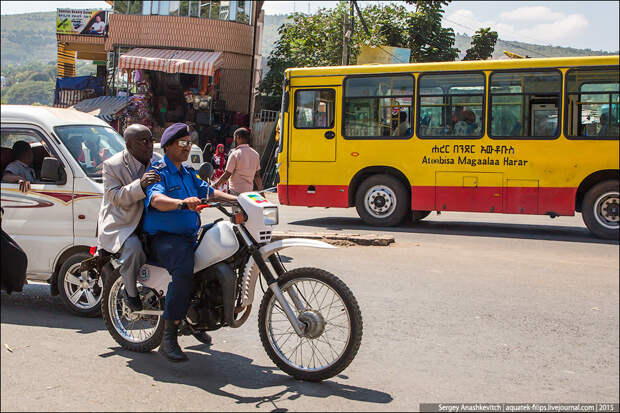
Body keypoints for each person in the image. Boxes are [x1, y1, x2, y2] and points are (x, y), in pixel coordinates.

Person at [143, 122, 238, 362]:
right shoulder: (159, 171)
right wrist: (181, 203)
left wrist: (238, 200)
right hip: (165, 238)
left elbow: (209, 191)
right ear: (168, 146)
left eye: (189, 143)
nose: (187, 148)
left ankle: (199, 319)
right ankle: (169, 337)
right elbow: (156, 199)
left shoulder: (187, 172)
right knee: (184, 270)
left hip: (188, 235)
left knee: (223, 251)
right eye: (183, 143)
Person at [97, 124, 161, 312]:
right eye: (144, 141)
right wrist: (139, 186)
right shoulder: (112, 166)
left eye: (151, 140)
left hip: (152, 222)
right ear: (129, 144)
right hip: (123, 224)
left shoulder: (158, 161)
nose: (150, 145)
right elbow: (115, 198)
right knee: (134, 250)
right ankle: (131, 294)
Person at [213, 128, 262, 195]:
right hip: (249, 192)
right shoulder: (255, 154)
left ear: (238, 137)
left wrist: (215, 185)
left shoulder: (235, 154)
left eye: (234, 138)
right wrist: (261, 191)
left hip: (235, 192)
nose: (234, 140)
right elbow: (257, 176)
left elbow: (227, 175)